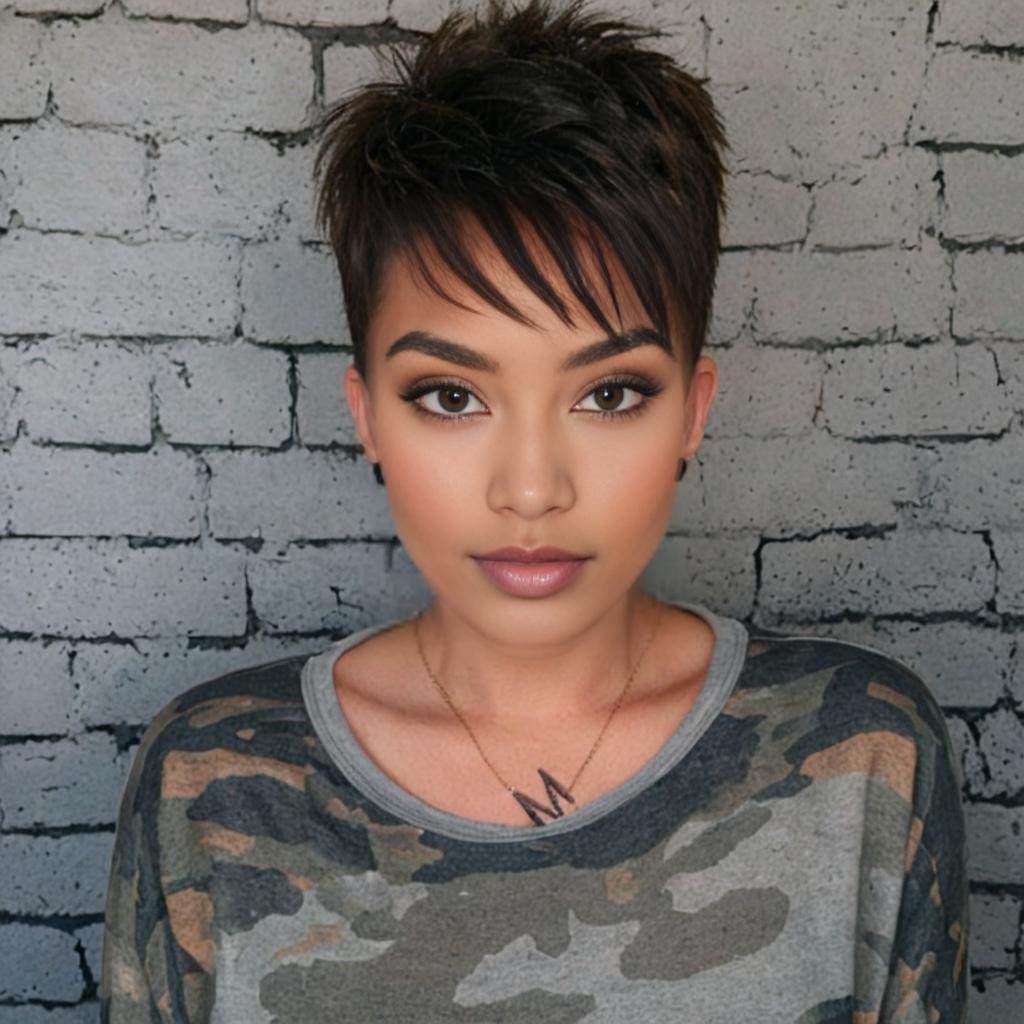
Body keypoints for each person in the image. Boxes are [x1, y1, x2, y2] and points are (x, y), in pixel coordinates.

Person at [99, 0, 969, 1020]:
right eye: (450, 396)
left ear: (692, 411)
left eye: (608, 394)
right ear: (367, 414)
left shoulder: (861, 763)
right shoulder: (214, 783)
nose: (529, 487)